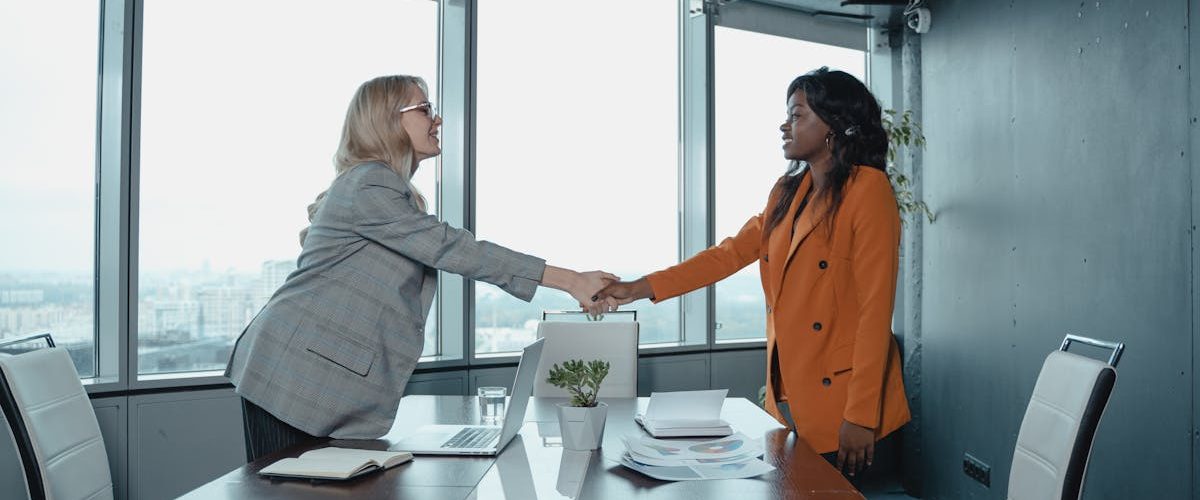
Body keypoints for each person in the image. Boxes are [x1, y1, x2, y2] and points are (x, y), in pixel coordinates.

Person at [226, 75, 614, 461]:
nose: (437, 119)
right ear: (388, 120)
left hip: (313, 379)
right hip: (292, 378)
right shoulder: (369, 184)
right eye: (425, 108)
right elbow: (453, 247)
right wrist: (570, 280)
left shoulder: (386, 189)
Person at [594, 67, 910, 479]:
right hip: (790, 397)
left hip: (850, 405)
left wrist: (862, 416)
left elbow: (875, 312)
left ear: (834, 126)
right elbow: (725, 255)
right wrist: (638, 288)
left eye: (797, 115)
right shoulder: (787, 192)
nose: (785, 125)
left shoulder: (868, 190)